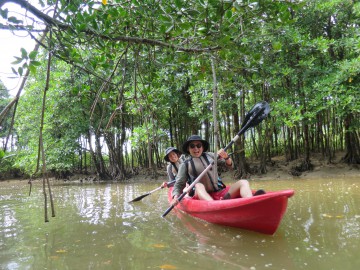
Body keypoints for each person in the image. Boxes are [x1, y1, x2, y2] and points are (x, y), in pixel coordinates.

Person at [171, 135, 265, 204]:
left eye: (198, 145)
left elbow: (230, 166)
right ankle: (214, 205)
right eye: (192, 146)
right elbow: (179, 183)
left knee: (243, 182)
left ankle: (250, 202)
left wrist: (226, 157)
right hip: (200, 195)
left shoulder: (211, 156)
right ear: (188, 148)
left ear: (202, 147)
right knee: (199, 185)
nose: (196, 148)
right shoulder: (185, 164)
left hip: (219, 192)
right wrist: (175, 196)